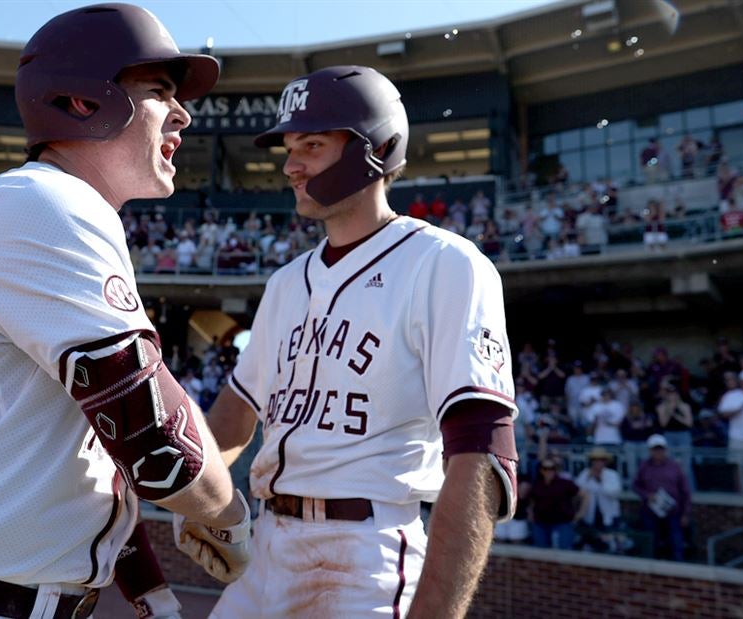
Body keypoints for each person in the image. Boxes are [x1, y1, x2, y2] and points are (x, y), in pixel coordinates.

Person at [0, 6, 246, 619]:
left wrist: (148, 587)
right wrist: (232, 518)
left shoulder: (53, 207)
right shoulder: (43, 202)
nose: (184, 113)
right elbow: (152, 432)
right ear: (84, 101)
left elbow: (86, 447)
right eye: (161, 91)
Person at [201, 65, 518, 618]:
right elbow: (234, 417)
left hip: (366, 551)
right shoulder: (284, 282)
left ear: (377, 149)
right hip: (267, 543)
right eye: (290, 146)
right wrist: (194, 497)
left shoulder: (444, 263)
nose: (290, 164)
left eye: (313, 145)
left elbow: (482, 451)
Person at [633, 434, 692, 560]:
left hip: (673, 511)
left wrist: (686, 513)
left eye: (661, 449)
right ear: (650, 450)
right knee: (651, 540)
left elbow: (685, 491)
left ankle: (678, 566)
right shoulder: (644, 466)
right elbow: (635, 485)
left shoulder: (675, 466)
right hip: (651, 510)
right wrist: (647, 495)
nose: (658, 452)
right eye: (655, 449)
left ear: (665, 449)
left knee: (676, 540)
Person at [574, 448, 623, 553]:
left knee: (610, 545)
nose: (598, 462)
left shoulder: (612, 474)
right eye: (595, 460)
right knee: (590, 544)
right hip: (590, 517)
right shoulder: (585, 473)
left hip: (609, 516)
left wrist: (600, 480)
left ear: (605, 461)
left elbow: (614, 493)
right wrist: (588, 478)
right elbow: (576, 490)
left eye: (601, 460)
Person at [528, 457, 582, 550]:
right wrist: (530, 513)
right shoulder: (537, 484)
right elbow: (532, 500)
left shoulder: (565, 483)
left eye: (552, 468)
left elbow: (584, 495)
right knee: (541, 552)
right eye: (545, 469)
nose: (549, 471)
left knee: (564, 552)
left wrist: (580, 514)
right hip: (541, 523)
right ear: (541, 470)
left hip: (563, 522)